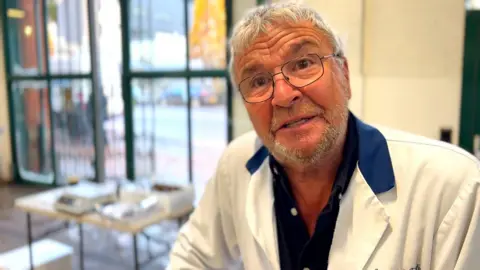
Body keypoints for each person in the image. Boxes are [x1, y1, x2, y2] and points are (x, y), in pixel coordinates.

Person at [168, 2, 480, 270]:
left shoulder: (452, 187)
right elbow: (193, 254)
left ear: (344, 75)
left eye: (303, 63)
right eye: (258, 81)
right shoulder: (238, 163)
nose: (283, 95)